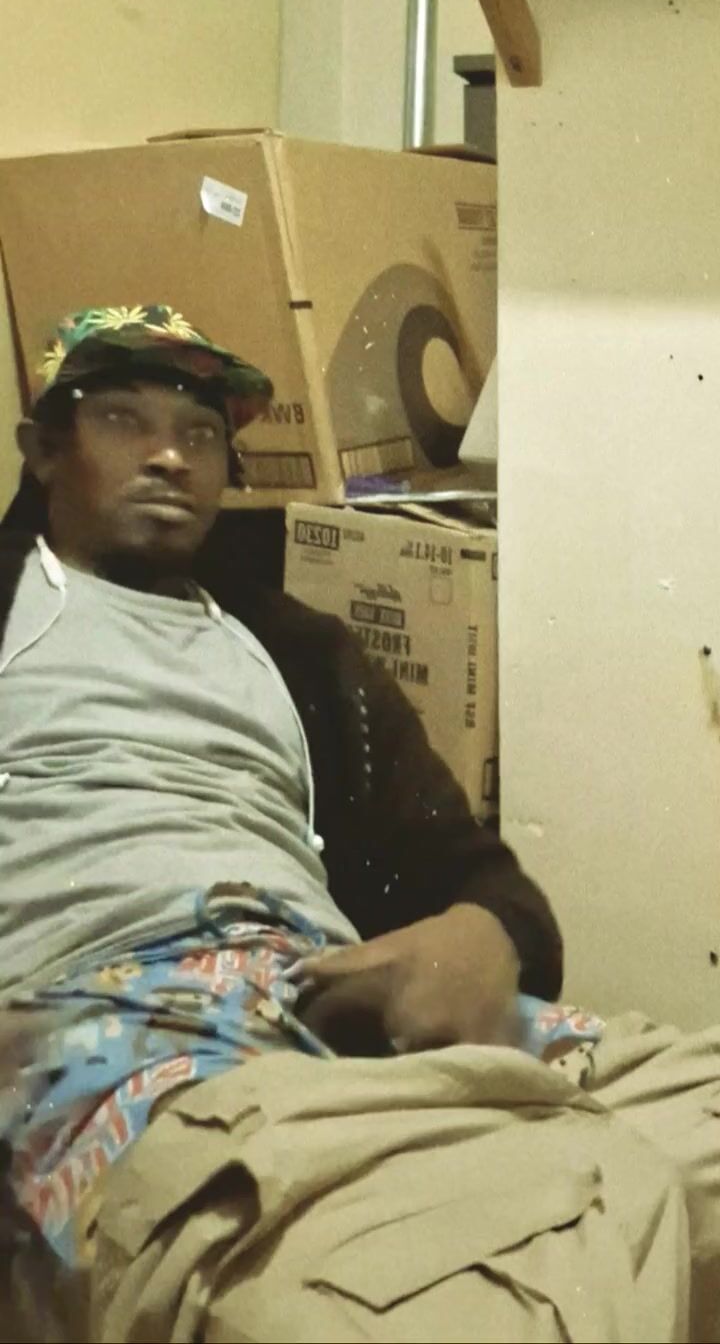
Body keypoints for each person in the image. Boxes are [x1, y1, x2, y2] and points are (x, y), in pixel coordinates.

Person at [0, 304, 717, 1344]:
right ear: (43, 449)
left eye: (200, 433)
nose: (170, 455)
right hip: (115, 1006)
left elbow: (472, 871)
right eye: (123, 419)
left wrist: (483, 933)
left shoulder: (299, 650)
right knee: (388, 1288)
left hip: (322, 987)